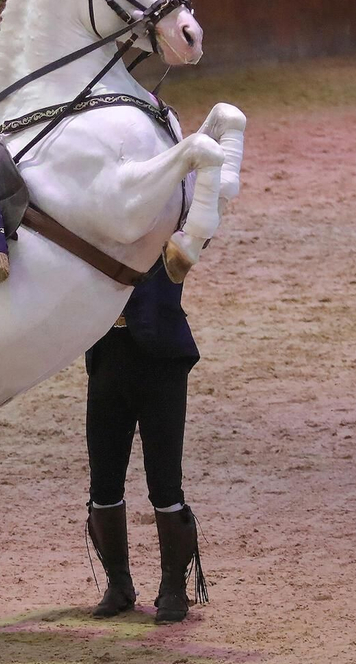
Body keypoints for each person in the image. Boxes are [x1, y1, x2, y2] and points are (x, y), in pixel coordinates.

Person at [83, 266, 207, 624]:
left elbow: (195, 238)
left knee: (165, 483)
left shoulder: (168, 220)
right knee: (103, 484)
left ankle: (173, 587)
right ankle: (118, 584)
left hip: (161, 360)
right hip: (106, 356)